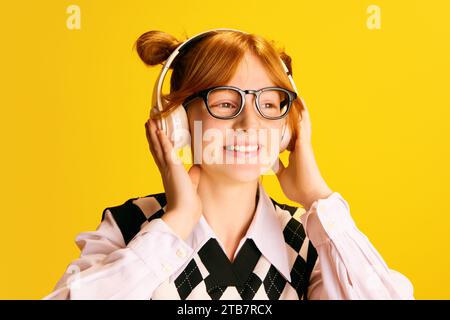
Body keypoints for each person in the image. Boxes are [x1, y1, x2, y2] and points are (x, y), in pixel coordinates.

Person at [44, 29, 414, 300]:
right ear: (177, 122)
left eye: (269, 105)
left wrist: (318, 196)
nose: (250, 125)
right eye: (224, 103)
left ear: (288, 129)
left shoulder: (310, 239)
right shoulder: (131, 228)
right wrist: (174, 224)